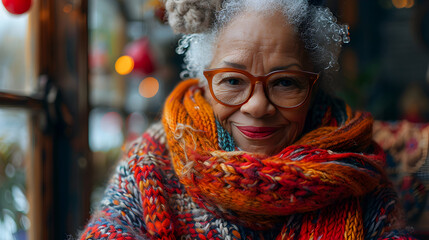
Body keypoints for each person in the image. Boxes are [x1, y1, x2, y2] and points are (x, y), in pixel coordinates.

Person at [79, 0, 416, 239]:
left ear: (313, 87)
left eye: (285, 82)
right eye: (233, 81)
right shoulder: (152, 161)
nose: (257, 106)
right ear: (204, 82)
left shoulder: (357, 169)